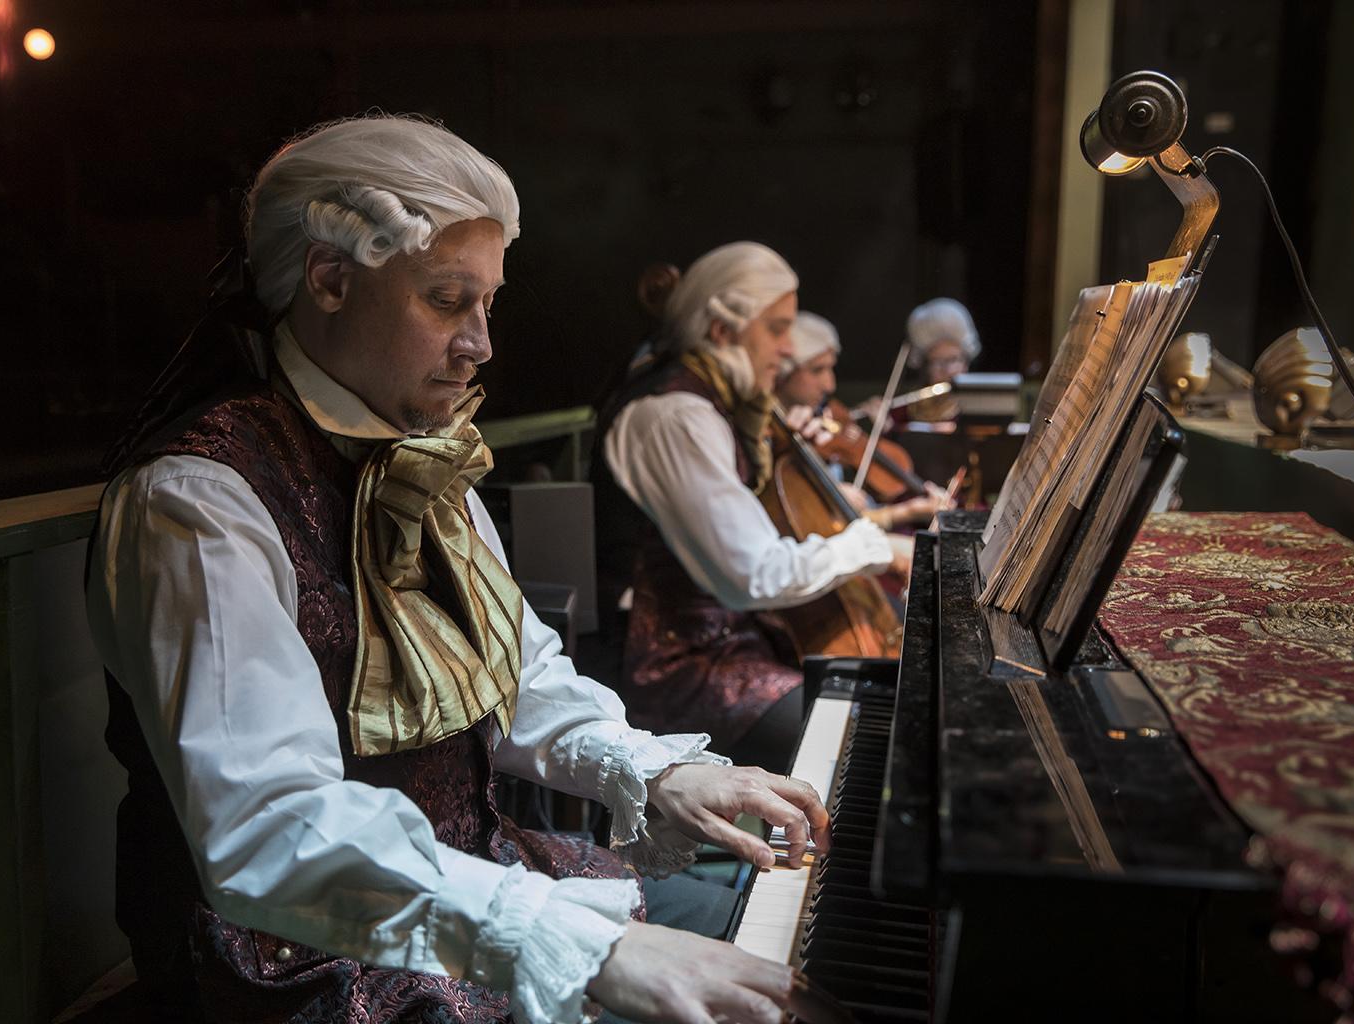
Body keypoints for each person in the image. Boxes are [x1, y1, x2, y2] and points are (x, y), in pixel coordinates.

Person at [85, 116, 843, 1024]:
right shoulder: (199, 502)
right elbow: (269, 828)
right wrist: (580, 944)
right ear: (329, 279)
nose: (482, 344)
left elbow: (514, 677)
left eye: (489, 303)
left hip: (474, 883)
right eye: (448, 300)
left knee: (782, 949)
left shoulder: (419, 454)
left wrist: (653, 773)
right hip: (295, 965)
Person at [592, 242, 908, 773]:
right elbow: (754, 575)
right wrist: (871, 546)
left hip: (723, 641)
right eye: (777, 328)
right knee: (873, 732)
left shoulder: (710, 404)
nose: (787, 349)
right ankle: (821, 854)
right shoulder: (676, 416)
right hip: (669, 665)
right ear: (723, 332)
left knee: (881, 700)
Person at [776, 311, 951, 531]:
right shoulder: (771, 438)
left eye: (831, 368)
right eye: (817, 370)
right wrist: (908, 511)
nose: (829, 385)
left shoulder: (822, 422)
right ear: (782, 371)